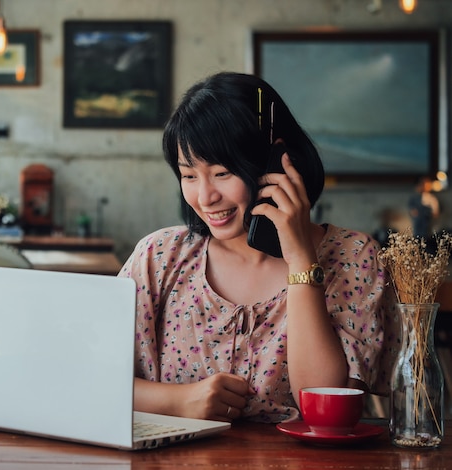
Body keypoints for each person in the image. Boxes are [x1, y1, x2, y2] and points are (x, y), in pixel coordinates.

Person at [118, 72, 389, 424]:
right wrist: (180, 401)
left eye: (222, 173)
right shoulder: (159, 256)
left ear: (276, 165)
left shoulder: (354, 257)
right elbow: (88, 377)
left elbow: (323, 413)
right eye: (189, 175)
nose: (205, 197)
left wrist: (300, 258)